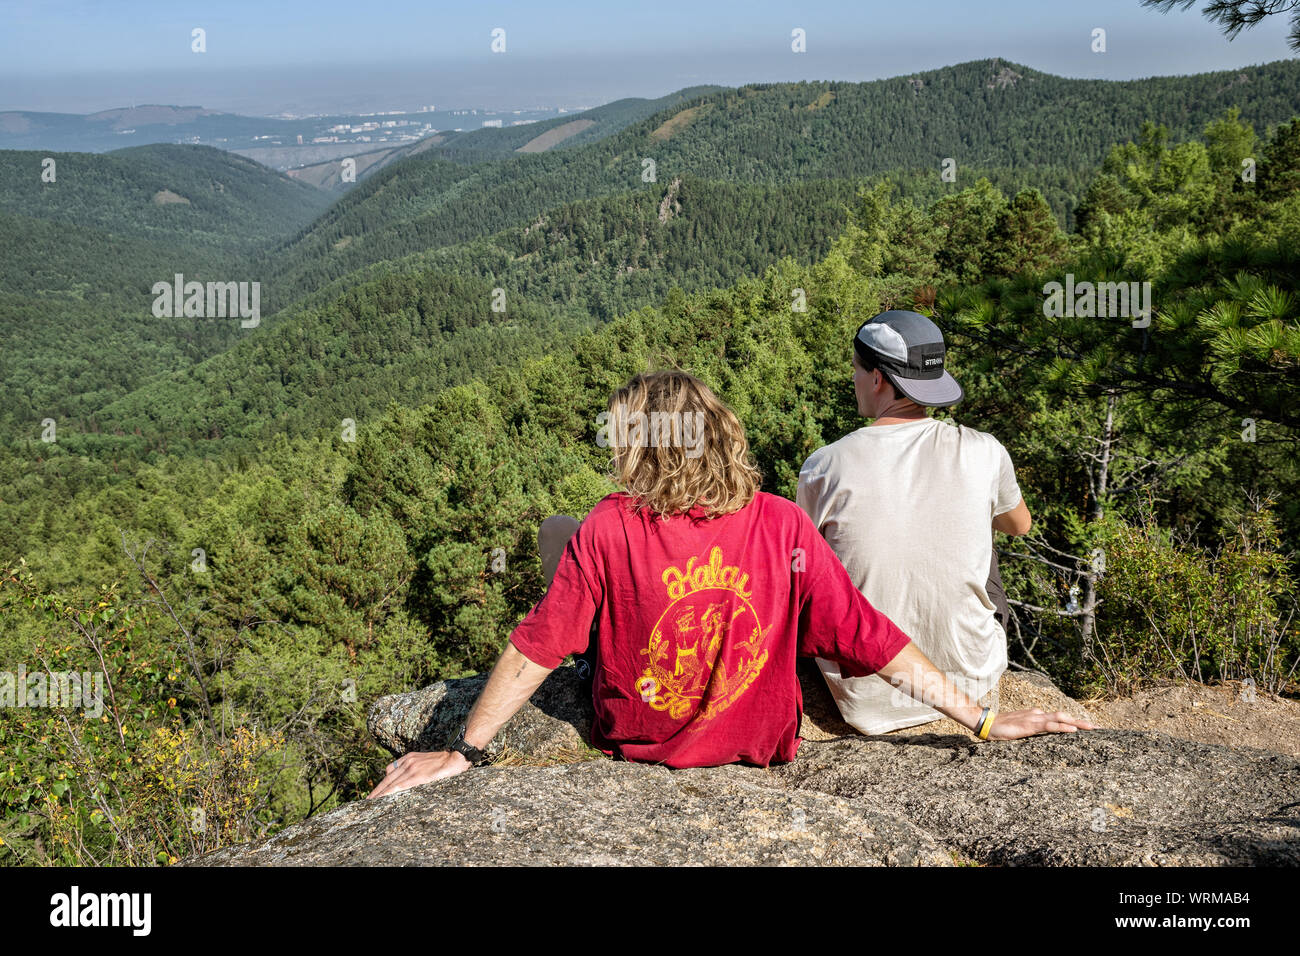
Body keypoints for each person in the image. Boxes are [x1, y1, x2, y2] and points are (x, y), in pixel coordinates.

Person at [369, 370, 1090, 799]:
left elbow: (537, 647)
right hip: (760, 744)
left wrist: (464, 752)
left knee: (562, 538)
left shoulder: (611, 525)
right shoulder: (780, 526)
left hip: (637, 737)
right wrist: (983, 719)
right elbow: (869, 638)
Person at [797, 310, 1031, 736]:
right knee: (985, 533)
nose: (854, 379)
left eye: (856, 368)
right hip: (975, 682)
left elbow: (804, 570)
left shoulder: (825, 465)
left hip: (865, 698)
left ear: (878, 379)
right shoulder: (984, 449)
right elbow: (1019, 525)